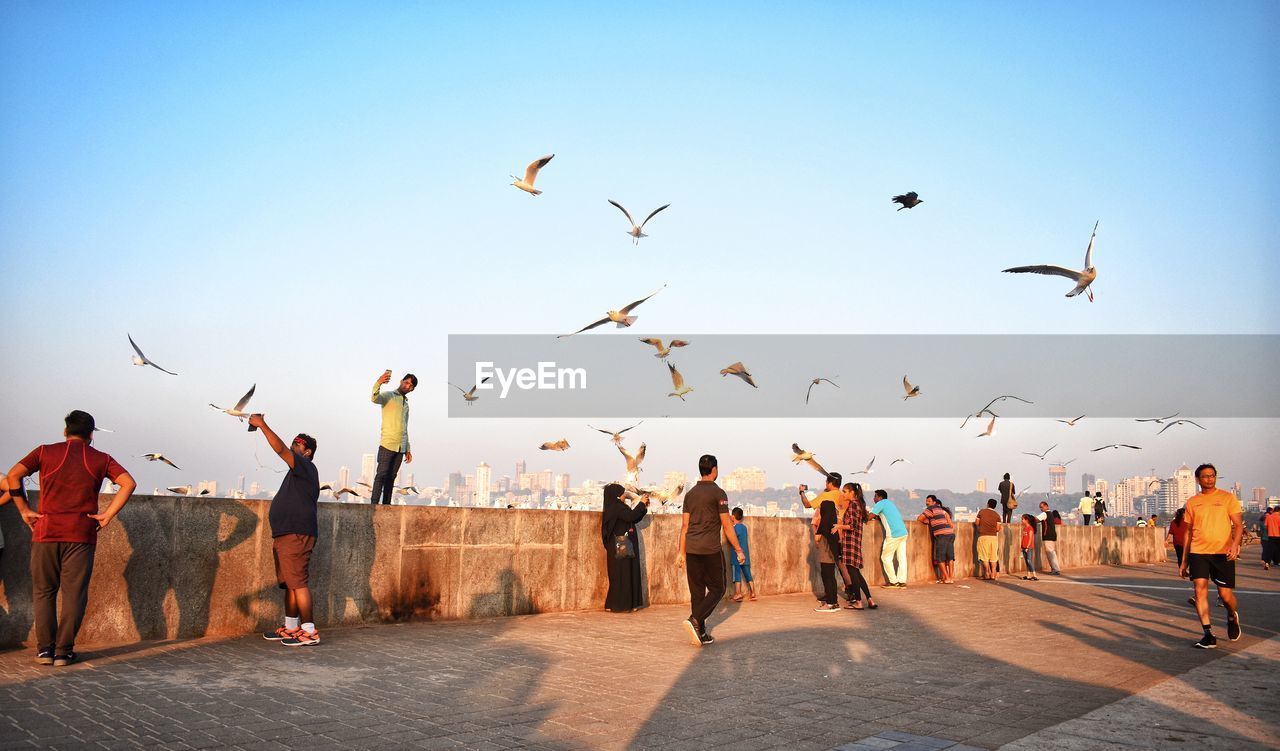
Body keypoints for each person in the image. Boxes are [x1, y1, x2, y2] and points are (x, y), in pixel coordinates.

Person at [5, 410, 136, 666]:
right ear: (91, 435)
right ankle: (63, 652)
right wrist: (107, 514)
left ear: (65, 432)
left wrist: (24, 510)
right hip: (80, 534)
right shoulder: (101, 458)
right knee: (74, 595)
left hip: (45, 531)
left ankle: (44, 650)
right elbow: (128, 483)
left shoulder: (44, 452)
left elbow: (13, 476)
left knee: (44, 592)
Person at [250, 413, 322, 647]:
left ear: (307, 451)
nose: (293, 446)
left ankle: (309, 631)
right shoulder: (297, 473)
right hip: (285, 534)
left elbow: (280, 449)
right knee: (290, 582)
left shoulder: (306, 466)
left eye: (298, 444)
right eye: (294, 443)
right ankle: (291, 628)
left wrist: (262, 425)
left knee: (298, 582)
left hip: (296, 533)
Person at [676, 455, 745, 646]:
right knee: (718, 588)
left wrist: (681, 552)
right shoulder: (718, 493)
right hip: (710, 550)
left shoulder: (690, 495)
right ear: (714, 470)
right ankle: (694, 619)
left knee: (697, 592)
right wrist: (738, 549)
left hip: (691, 549)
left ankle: (701, 633)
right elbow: (727, 525)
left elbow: (684, 526)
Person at [1179, 463, 1243, 649]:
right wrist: (1184, 561)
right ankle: (1208, 634)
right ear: (1198, 479)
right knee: (1199, 590)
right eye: (1205, 476)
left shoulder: (1227, 498)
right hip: (1198, 552)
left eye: (1212, 475)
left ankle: (1232, 615)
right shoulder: (1192, 502)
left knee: (1225, 595)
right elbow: (1188, 532)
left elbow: (1238, 525)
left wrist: (1234, 545)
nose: (1209, 479)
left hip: (1222, 553)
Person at [369, 370, 417, 505]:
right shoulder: (389, 396)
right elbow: (374, 398)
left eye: (410, 385)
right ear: (401, 381)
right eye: (406, 382)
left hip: (401, 446)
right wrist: (378, 382)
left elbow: (405, 427)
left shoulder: (406, 404)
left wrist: (407, 448)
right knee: (381, 475)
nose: (407, 386)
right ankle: (373, 505)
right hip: (387, 443)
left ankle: (386, 506)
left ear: (412, 389)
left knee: (391, 478)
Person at [601, 483, 649, 612]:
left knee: (620, 575)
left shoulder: (616, 507)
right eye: (622, 493)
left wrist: (643, 507)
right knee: (623, 574)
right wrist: (641, 503)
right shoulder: (617, 507)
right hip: (621, 546)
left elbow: (633, 518)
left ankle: (616, 604)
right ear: (617, 496)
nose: (624, 495)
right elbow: (631, 516)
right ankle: (622, 605)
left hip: (618, 546)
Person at [834, 483, 875, 609]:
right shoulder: (859, 505)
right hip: (856, 542)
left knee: (853, 573)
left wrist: (838, 526)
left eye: (845, 491)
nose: (843, 494)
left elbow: (853, 526)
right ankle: (870, 599)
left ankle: (858, 601)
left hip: (850, 543)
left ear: (852, 492)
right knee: (856, 573)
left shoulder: (852, 505)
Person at [870, 490, 909, 588]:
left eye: (875, 497)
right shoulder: (890, 504)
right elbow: (885, 516)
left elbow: (869, 517)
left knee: (886, 557)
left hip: (893, 534)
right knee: (902, 558)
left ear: (879, 497)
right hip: (903, 533)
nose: (874, 499)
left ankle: (893, 582)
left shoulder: (880, 503)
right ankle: (902, 581)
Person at [814, 484, 841, 612]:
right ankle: (834, 602)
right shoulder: (833, 522)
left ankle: (830, 603)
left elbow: (817, 538)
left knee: (827, 577)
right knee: (831, 577)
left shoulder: (824, 523)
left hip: (826, 555)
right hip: (832, 554)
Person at [916, 495, 955, 584]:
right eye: (926, 501)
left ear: (934, 502)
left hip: (942, 535)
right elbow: (951, 524)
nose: (927, 503)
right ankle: (951, 578)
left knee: (940, 558)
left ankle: (946, 578)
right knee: (950, 557)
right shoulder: (942, 510)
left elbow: (919, 519)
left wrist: (928, 521)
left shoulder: (930, 509)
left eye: (929, 501)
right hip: (950, 534)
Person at [730, 508, 756, 602]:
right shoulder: (744, 527)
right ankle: (753, 592)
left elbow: (732, 539)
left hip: (736, 555)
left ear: (733, 516)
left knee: (736, 573)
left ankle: (738, 593)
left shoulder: (734, 528)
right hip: (746, 554)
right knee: (747, 573)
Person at [976, 499, 1002, 580]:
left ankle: (987, 573)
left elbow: (977, 522)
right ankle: (993, 574)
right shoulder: (997, 515)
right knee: (993, 556)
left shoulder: (981, 512)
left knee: (984, 557)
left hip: (983, 537)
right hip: (993, 538)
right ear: (995, 506)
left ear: (987, 504)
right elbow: (998, 529)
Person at [1036, 501, 1062, 575]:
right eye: (1040, 507)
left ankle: (1056, 569)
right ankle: (1055, 569)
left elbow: (1037, 519)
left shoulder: (1045, 514)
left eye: (1042, 507)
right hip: (1052, 535)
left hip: (1048, 536)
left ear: (1046, 506)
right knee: (1052, 552)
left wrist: (1029, 519)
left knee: (1050, 553)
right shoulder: (1050, 514)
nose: (1041, 509)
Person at [1019, 514, 1039, 581]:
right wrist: (1022, 547)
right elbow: (1024, 538)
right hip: (1024, 547)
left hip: (1028, 547)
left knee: (1029, 560)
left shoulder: (1030, 528)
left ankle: (1034, 575)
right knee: (1026, 561)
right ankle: (1028, 575)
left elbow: (1030, 538)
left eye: (1022, 519)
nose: (1022, 520)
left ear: (1026, 520)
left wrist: (1027, 547)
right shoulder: (1025, 528)